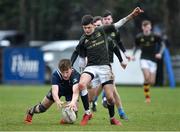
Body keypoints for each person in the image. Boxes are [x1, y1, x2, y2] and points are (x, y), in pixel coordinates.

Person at [69, 7, 144, 126]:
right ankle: (87, 112)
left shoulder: (102, 30)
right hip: (91, 67)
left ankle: (112, 118)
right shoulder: (83, 39)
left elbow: (119, 23)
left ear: (93, 25)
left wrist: (132, 15)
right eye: (84, 28)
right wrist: (73, 67)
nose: (87, 30)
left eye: (89, 27)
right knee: (82, 84)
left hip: (105, 67)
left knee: (110, 98)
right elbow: (78, 55)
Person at [90, 12, 130, 121]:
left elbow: (116, 46)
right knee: (93, 91)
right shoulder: (90, 36)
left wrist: (122, 59)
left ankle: (121, 112)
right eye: (97, 25)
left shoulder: (111, 33)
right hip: (94, 66)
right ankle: (92, 104)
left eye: (100, 25)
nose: (99, 27)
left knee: (113, 88)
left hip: (108, 64)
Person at [24, 59, 84, 124]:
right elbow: (55, 91)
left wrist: (72, 102)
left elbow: (75, 92)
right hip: (59, 91)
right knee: (42, 108)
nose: (65, 75)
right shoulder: (56, 75)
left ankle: (65, 120)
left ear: (71, 68)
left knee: (73, 112)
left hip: (70, 92)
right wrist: (57, 100)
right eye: (63, 72)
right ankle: (30, 111)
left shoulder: (75, 75)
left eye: (67, 72)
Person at [132, 20, 165, 103]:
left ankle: (145, 85)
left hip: (153, 60)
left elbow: (162, 45)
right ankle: (147, 98)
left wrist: (160, 53)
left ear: (150, 27)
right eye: (145, 27)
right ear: (142, 28)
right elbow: (136, 46)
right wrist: (133, 55)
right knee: (146, 77)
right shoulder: (139, 37)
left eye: (148, 27)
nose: (146, 29)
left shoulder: (155, 36)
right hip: (144, 59)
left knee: (152, 82)